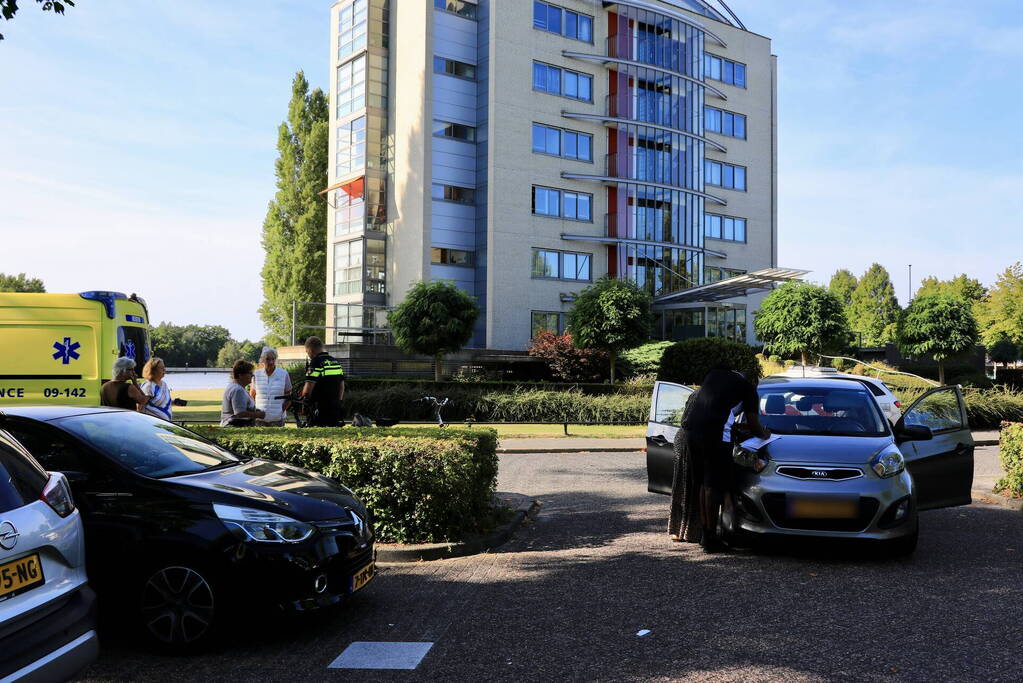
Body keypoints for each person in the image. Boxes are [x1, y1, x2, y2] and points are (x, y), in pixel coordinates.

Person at [668, 366, 769, 553]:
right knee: (713, 486)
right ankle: (712, 540)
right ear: (755, 381)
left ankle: (706, 535)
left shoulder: (715, 374)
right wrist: (764, 434)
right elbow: (755, 425)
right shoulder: (748, 388)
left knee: (702, 484)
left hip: (691, 432)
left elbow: (714, 408)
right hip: (715, 437)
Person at [299, 336, 345, 427]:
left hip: (319, 409)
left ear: (311, 350)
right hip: (335, 409)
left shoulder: (316, 362)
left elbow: (308, 389)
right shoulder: (335, 361)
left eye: (307, 352)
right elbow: (342, 386)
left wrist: (303, 403)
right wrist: (338, 403)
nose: (308, 354)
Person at [249, 346, 292, 427]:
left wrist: (281, 411)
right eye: (268, 359)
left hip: (277, 419)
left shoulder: (283, 373)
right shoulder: (256, 374)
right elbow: (252, 395)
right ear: (262, 360)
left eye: (273, 359)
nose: (271, 362)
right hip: (259, 419)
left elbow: (289, 396)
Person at [220, 360, 265, 427]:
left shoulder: (234, 386)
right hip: (234, 428)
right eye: (250, 373)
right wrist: (258, 415)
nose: (252, 375)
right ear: (240, 375)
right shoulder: (238, 390)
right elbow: (240, 413)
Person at [139, 357, 185, 422]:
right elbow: (140, 406)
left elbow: (159, 402)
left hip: (164, 424)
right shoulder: (148, 386)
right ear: (153, 370)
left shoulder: (164, 384)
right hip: (151, 424)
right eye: (161, 368)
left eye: (164, 367)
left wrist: (174, 402)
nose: (164, 369)